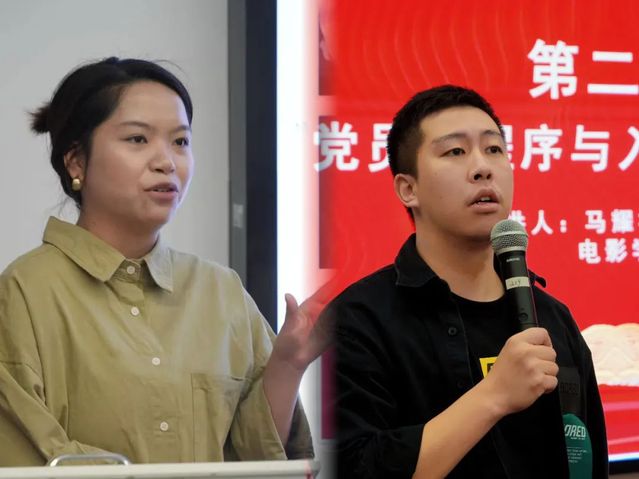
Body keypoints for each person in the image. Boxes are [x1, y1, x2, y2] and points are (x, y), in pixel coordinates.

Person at [0, 57, 325, 466]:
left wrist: (288, 366)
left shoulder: (221, 291)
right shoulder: (24, 291)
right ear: (76, 161)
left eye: (180, 142)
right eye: (138, 139)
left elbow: (257, 461)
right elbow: (29, 459)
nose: (167, 162)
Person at [331, 85, 608, 478]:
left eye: (494, 149)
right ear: (408, 189)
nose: (483, 168)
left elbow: (587, 460)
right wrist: (494, 395)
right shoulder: (360, 321)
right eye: (455, 152)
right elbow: (357, 466)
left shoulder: (552, 319)